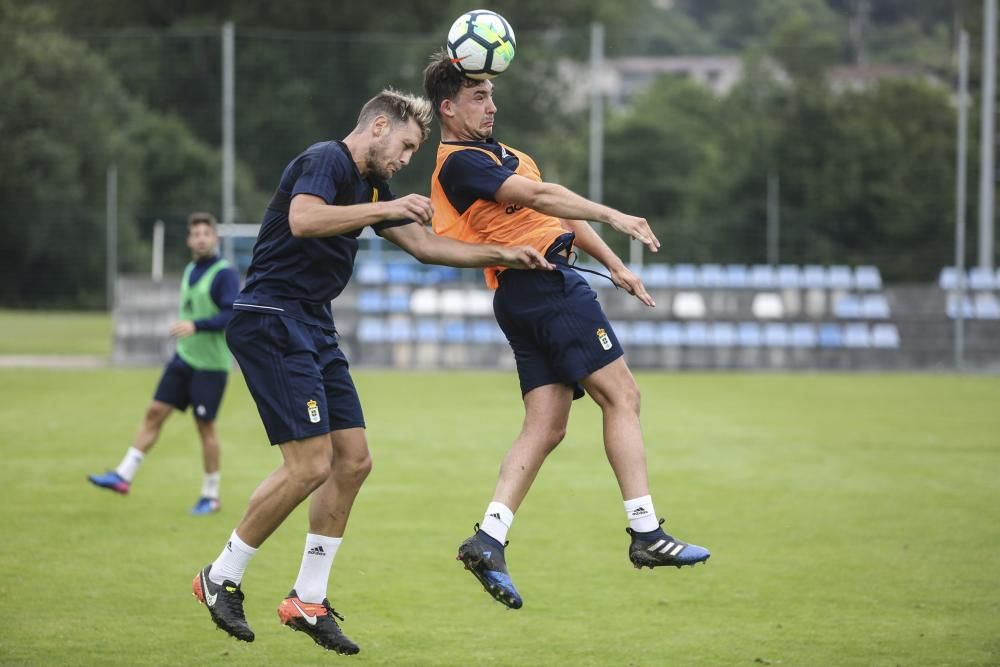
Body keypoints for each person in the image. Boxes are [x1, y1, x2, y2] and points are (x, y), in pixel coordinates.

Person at [190, 88, 552, 654]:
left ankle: (307, 599)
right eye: (406, 146)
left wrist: (503, 256)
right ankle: (221, 575)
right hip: (273, 318)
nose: (407, 158)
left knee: (353, 461)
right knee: (310, 464)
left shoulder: (373, 186)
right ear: (379, 126)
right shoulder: (326, 159)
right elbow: (305, 220)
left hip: (312, 323)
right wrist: (386, 208)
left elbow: (427, 248)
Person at [422, 50, 710, 610]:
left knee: (547, 425)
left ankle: (488, 539)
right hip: (546, 289)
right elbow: (538, 198)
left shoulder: (505, 155)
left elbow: (558, 213)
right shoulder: (459, 163)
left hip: (526, 293)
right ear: (448, 108)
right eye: (478, 96)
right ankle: (646, 532)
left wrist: (615, 264)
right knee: (623, 395)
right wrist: (616, 215)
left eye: (491, 94)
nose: (491, 105)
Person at [88, 212, 239, 516]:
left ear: (215, 238)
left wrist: (196, 326)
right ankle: (123, 476)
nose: (200, 238)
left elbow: (231, 314)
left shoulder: (224, 273)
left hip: (211, 366)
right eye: (195, 234)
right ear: (188, 240)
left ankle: (210, 496)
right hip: (183, 359)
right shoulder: (189, 270)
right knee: (155, 412)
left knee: (205, 427)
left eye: (205, 233)